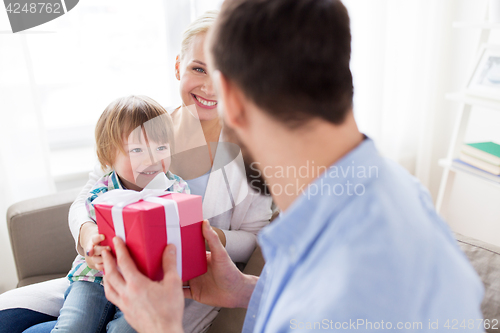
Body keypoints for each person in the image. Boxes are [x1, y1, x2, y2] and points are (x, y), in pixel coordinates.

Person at [101, 0, 485, 332]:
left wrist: (161, 328)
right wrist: (246, 290)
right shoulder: (393, 188)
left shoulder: (340, 294)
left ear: (229, 99)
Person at [0, 10, 273, 333]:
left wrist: (201, 235)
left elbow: (256, 240)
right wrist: (89, 237)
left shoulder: (254, 156)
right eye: (198, 68)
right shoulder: (142, 124)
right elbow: (89, 196)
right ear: (177, 67)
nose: (210, 86)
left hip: (180, 292)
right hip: (99, 278)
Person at [52, 95, 192, 333]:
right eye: (136, 150)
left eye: (161, 148)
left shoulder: (177, 189)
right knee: (74, 326)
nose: (152, 159)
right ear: (108, 157)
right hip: (94, 278)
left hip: (147, 285)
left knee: (127, 329)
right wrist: (93, 246)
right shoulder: (101, 192)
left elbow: (187, 237)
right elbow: (89, 232)